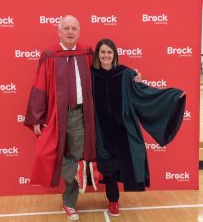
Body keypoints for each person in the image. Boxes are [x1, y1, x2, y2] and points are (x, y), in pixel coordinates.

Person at [91, 38, 186, 217]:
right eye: (102, 52)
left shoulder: (125, 74)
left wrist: (173, 96)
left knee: (126, 159)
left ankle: (116, 197)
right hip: (101, 130)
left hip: (123, 129)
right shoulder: (91, 75)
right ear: (97, 55)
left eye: (109, 52)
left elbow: (143, 93)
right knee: (108, 166)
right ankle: (113, 201)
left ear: (114, 55)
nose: (106, 56)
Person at [24, 15, 99, 221]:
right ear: (59, 32)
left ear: (79, 31)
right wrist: (37, 117)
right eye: (66, 28)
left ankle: (69, 203)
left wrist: (130, 74)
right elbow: (39, 87)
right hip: (56, 115)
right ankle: (77, 169)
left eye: (74, 28)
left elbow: (106, 72)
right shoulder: (50, 55)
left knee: (75, 154)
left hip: (80, 114)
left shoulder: (87, 53)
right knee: (46, 154)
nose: (70, 31)